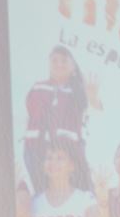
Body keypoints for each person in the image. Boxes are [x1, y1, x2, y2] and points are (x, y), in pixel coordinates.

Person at [23, 45, 98, 195]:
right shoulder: (38, 87)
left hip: (69, 150)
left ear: (73, 66)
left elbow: (95, 112)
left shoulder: (79, 91)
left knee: (82, 192)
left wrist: (92, 98)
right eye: (54, 60)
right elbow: (26, 116)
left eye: (64, 60)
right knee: (44, 194)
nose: (59, 64)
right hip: (36, 149)